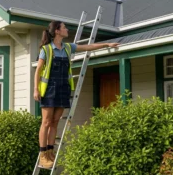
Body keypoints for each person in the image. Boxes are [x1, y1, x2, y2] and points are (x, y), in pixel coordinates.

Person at [34, 20, 119, 168]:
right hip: (49, 90)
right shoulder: (46, 50)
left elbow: (88, 47)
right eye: (64, 28)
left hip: (63, 89)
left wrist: (106, 44)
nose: (67, 30)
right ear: (57, 31)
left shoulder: (68, 47)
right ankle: (42, 155)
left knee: (55, 122)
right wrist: (36, 89)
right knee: (46, 122)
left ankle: (50, 152)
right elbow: (38, 71)